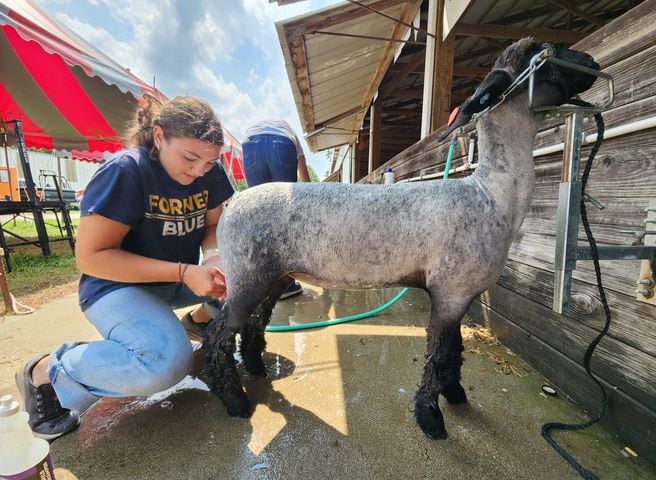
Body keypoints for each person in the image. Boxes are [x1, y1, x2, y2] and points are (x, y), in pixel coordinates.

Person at [15, 95, 233, 440]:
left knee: (253, 282)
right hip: (116, 286)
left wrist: (216, 258)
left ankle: (198, 322)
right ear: (159, 136)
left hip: (178, 278)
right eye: (189, 158)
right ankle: (47, 370)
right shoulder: (125, 171)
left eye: (209, 163)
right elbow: (91, 257)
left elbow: (212, 225)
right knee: (165, 364)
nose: (198, 171)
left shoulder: (209, 171)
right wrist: (183, 272)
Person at [242, 117, 310, 298]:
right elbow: (303, 171)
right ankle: (284, 285)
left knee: (260, 215)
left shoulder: (259, 126)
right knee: (281, 217)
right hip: (281, 144)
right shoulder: (289, 132)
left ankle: (261, 280)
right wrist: (309, 198)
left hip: (250, 143)